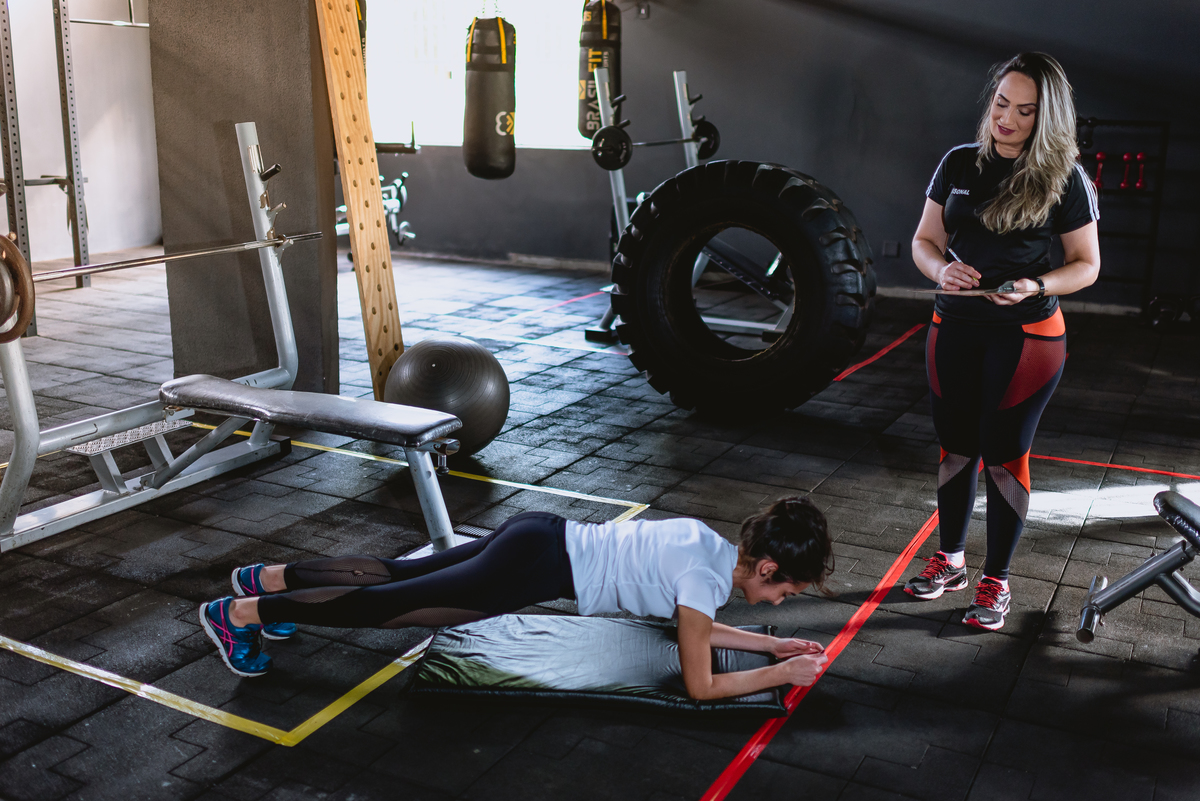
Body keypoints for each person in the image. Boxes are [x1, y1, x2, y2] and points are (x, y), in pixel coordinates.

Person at [200, 496, 834, 700]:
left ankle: (270, 577)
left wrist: (771, 644)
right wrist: (781, 672)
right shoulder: (702, 585)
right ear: (769, 565)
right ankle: (238, 616)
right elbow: (700, 681)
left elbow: (701, 632)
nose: (779, 602)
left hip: (538, 534)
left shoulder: (707, 548)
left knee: (396, 575)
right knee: (394, 607)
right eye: (785, 593)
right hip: (534, 567)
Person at [906, 52, 1100, 630]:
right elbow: (924, 242)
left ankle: (997, 581)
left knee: (1003, 453)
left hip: (1027, 336)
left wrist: (1036, 283)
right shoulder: (959, 164)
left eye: (1024, 111)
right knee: (955, 446)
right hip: (953, 326)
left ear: (1048, 118)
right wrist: (941, 271)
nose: (1006, 119)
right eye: (1000, 104)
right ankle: (951, 561)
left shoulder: (1065, 178)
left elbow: (1086, 265)